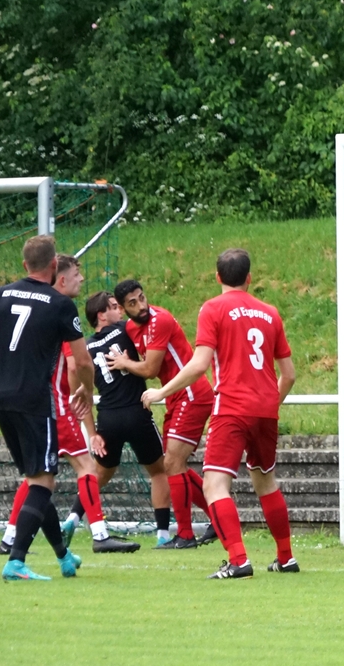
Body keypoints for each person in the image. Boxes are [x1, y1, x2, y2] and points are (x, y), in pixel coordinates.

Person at [142, 248, 297, 579]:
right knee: (266, 482)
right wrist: (270, 404)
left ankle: (238, 560)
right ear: (249, 277)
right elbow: (289, 375)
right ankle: (286, 557)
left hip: (232, 408)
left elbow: (199, 364)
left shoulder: (213, 308)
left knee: (214, 485)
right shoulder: (270, 313)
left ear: (217, 277)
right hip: (266, 410)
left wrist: (161, 392)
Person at [0, 235, 91, 581]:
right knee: (43, 483)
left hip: (2, 400)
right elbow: (83, 361)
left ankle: (63, 556)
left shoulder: (0, 295)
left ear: (24, 265)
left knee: (36, 480)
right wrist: (86, 390)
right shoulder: (60, 303)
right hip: (35, 402)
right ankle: (16, 561)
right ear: (54, 266)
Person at [0, 256, 136, 555]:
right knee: (85, 467)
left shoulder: (39, 306)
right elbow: (75, 364)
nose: (81, 279)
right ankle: (99, 534)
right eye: (76, 274)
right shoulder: (59, 309)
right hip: (57, 404)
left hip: (32, 401)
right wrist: (81, 395)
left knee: (36, 477)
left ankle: (10, 537)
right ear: (60, 278)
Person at [105, 280, 217, 549]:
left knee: (171, 464)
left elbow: (150, 370)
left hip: (191, 394)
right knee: (173, 465)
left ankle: (186, 535)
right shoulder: (130, 328)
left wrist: (124, 363)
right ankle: (219, 516)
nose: (141, 305)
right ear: (124, 308)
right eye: (133, 303)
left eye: (142, 298)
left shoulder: (160, 320)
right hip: (175, 397)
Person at [75, 290, 168, 546]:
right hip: (136, 413)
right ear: (102, 315)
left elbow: (83, 395)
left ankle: (72, 518)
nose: (121, 311)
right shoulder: (125, 329)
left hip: (108, 418)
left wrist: (92, 434)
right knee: (159, 471)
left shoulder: (84, 348)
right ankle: (163, 535)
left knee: (99, 474)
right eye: (115, 306)